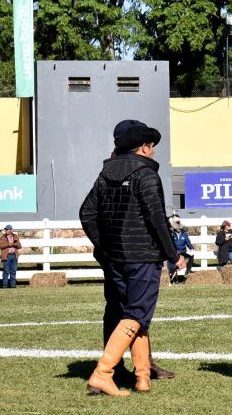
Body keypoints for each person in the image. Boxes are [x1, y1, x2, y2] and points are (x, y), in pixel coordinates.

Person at [79, 119, 185, 396]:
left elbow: (87, 213)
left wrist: (104, 245)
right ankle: (102, 373)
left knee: (132, 314)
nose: (153, 152)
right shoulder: (147, 174)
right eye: (152, 147)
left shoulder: (105, 174)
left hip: (115, 257)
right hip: (143, 256)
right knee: (137, 314)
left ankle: (142, 378)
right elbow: (156, 219)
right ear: (145, 148)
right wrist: (172, 254)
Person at [168, 214, 194, 283]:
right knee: (172, 261)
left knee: (191, 255)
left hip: (183, 251)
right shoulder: (172, 233)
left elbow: (188, 242)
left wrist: (191, 248)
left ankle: (188, 270)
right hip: (176, 252)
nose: (178, 228)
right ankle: (172, 276)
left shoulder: (184, 234)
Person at [0, 224, 22, 289]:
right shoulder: (2, 237)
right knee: (6, 271)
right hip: (6, 256)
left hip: (14, 255)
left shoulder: (15, 236)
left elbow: (19, 246)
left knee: (13, 271)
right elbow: (0, 246)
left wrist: (13, 244)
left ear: (11, 230)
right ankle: (5, 285)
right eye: (6, 229)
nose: (6, 230)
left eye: (7, 229)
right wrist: (8, 244)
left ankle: (13, 285)